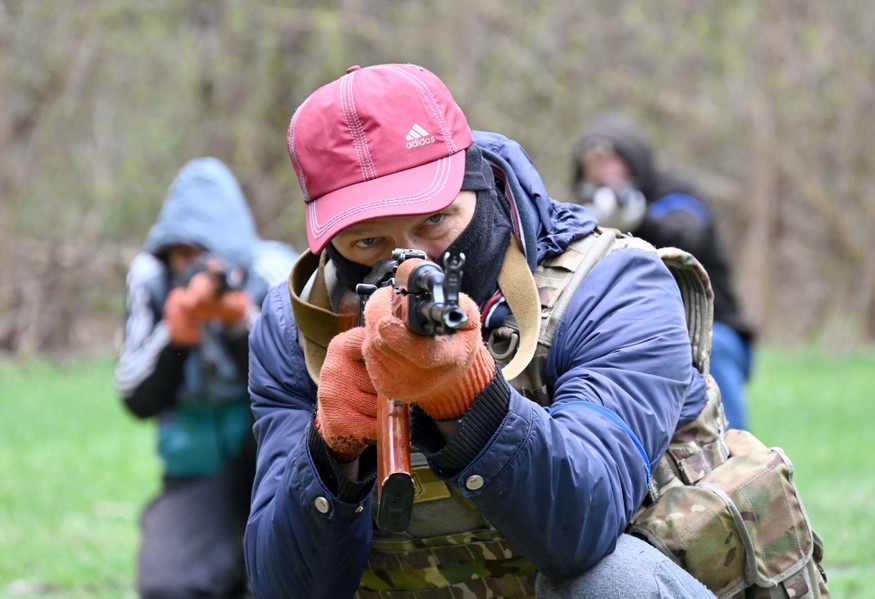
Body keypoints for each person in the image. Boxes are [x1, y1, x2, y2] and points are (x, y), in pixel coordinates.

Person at [244, 63, 720, 598]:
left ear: (479, 188)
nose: (412, 258)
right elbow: (281, 587)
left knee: (611, 583)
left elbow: (582, 532)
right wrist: (331, 455)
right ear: (329, 244)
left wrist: (468, 401)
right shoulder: (296, 328)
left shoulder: (613, 284)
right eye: (367, 244)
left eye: (434, 222)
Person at [115, 157, 297, 599]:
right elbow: (134, 397)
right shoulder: (151, 280)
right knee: (169, 585)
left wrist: (239, 324)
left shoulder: (274, 271)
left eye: (203, 256)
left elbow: (302, 383)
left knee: (288, 579)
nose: (192, 268)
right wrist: (176, 333)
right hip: (196, 463)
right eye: (182, 255)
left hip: (274, 461)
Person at [570, 113, 756, 431]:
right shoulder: (579, 215)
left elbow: (687, 233)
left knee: (717, 355)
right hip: (633, 334)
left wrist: (639, 220)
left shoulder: (676, 193)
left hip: (711, 329)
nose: (605, 175)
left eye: (613, 163)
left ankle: (736, 456)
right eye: (596, 167)